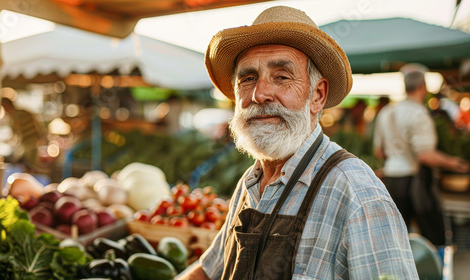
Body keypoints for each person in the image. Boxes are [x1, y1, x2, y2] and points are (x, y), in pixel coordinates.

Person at [179, 6, 418, 280]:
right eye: (248, 79)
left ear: (317, 95)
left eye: (281, 77)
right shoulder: (252, 182)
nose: (260, 94)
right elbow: (210, 271)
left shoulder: (358, 195)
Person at [373, 64, 469, 245]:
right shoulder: (419, 113)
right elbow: (425, 155)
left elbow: (379, 151)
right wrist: (455, 163)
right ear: (422, 87)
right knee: (433, 237)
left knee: (396, 237)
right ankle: (433, 271)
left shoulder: (386, 112)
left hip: (391, 180)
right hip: (416, 182)